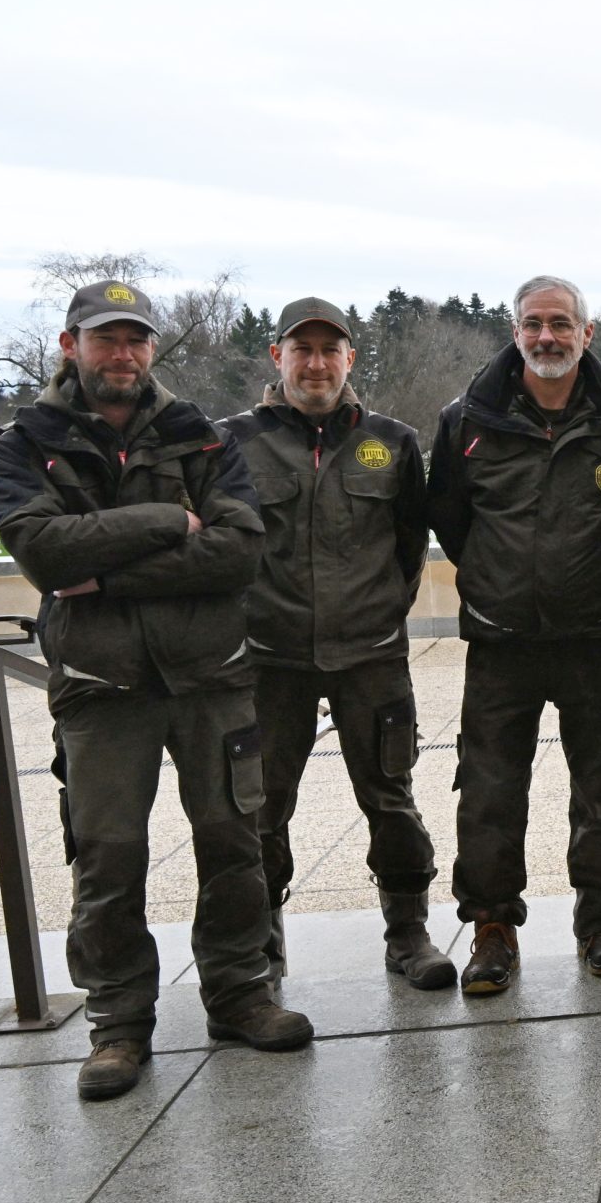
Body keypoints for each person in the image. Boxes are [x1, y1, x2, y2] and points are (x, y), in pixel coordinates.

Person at [0, 281, 313, 1102]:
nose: (123, 354)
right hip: (102, 687)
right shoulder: (27, 442)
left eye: (135, 339)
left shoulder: (195, 435)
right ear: (71, 345)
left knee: (234, 842)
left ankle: (240, 994)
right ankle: (119, 1023)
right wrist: (171, 522)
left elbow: (241, 550)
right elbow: (45, 554)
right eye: (106, 339)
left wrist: (103, 568)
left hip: (211, 677)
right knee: (109, 855)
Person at [427, 276, 601, 994]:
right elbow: (452, 524)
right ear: (514, 331)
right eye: (533, 323)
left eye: (561, 323)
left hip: (594, 639)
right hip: (502, 641)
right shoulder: (467, 420)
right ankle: (493, 928)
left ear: (588, 334)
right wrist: (502, 582)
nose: (546, 336)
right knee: (489, 792)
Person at [222, 299, 447, 989]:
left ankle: (408, 933)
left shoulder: (394, 441)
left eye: (330, 350)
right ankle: (262, 947)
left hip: (371, 657)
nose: (315, 363)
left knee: (391, 799)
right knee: (259, 806)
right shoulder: (231, 442)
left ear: (350, 359)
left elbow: (410, 545)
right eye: (302, 349)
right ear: (277, 356)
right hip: (270, 660)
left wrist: (378, 616)